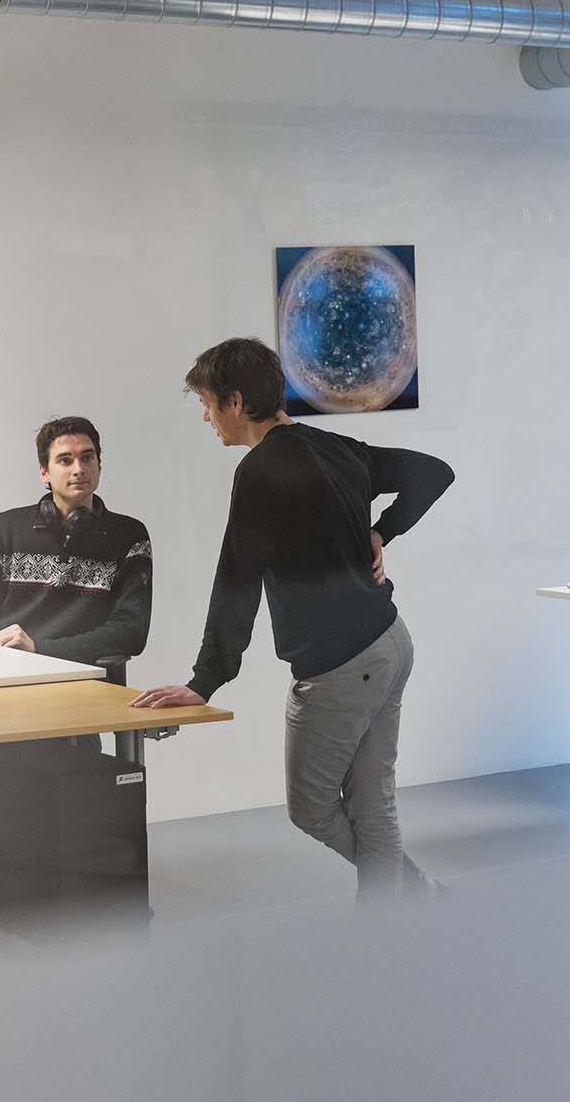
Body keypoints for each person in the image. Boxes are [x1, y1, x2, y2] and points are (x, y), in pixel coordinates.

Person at [129, 338, 454, 892]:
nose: (206, 417)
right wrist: (382, 531)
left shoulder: (260, 471)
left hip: (344, 665)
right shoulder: (335, 447)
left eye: (207, 404)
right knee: (372, 800)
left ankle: (409, 898)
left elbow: (237, 580)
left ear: (235, 401)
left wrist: (204, 681)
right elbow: (433, 472)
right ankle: (404, 911)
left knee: (312, 807)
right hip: (390, 643)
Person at [0, 416, 153, 667]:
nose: (79, 469)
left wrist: (39, 649)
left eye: (87, 458)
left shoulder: (129, 536)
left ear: (99, 466)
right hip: (6, 672)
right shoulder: (5, 529)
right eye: (65, 460)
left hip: (85, 678)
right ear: (44, 472)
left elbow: (130, 631)